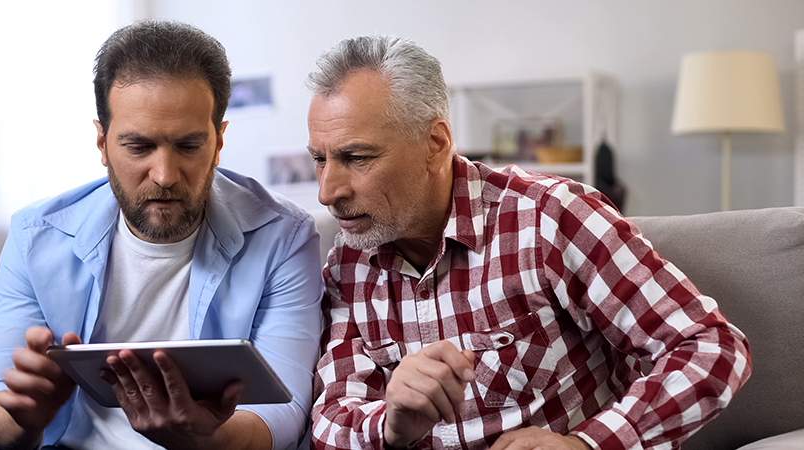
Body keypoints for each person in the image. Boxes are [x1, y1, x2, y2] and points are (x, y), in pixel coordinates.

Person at [306, 35, 750, 450]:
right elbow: (329, 418)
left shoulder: (549, 218)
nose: (328, 192)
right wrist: (389, 424)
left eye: (356, 158)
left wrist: (588, 444)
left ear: (435, 144)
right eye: (320, 160)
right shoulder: (348, 262)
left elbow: (711, 346)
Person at [0, 20, 323, 450]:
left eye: (188, 146)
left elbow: (286, 411)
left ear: (219, 141)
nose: (164, 176)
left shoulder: (285, 236)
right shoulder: (36, 236)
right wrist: (22, 416)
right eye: (139, 147)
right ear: (102, 143)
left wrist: (202, 440)